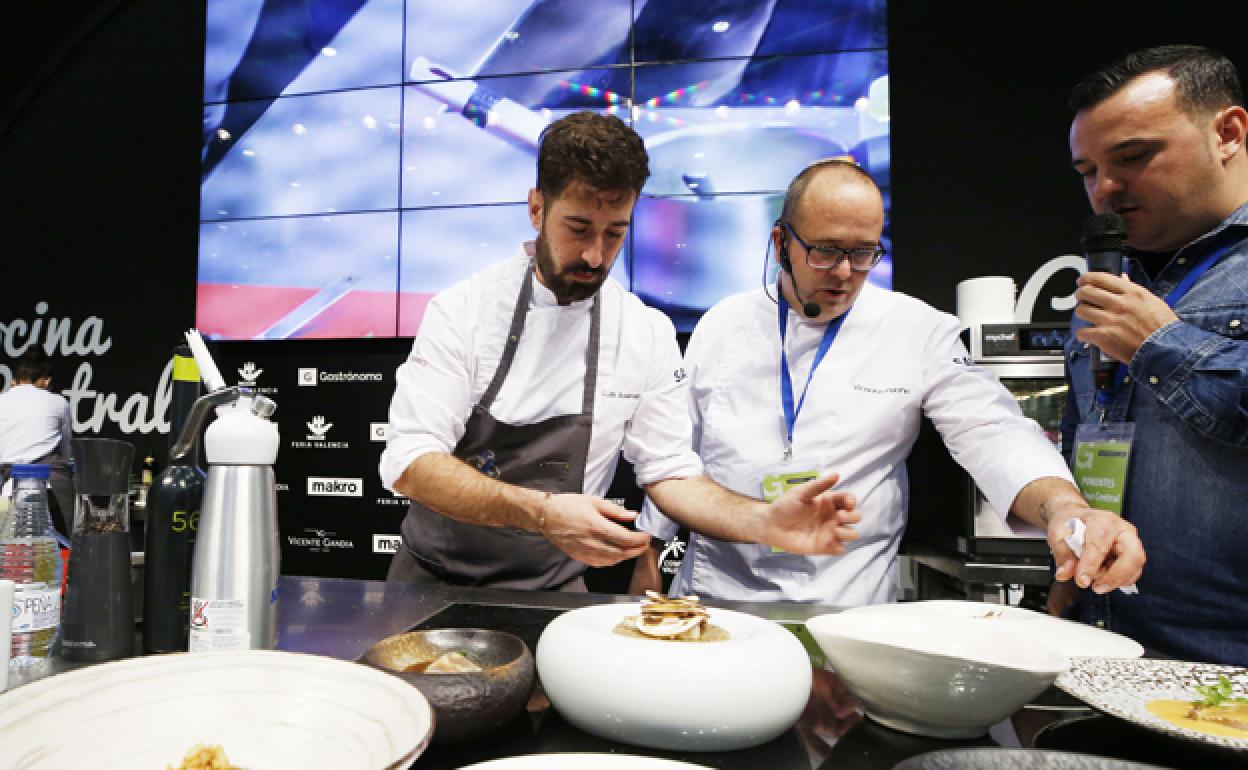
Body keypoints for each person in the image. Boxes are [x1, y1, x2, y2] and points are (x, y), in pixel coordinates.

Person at [379, 111, 859, 591]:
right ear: (536, 209)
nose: (595, 255)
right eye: (578, 228)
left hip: (554, 590)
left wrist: (763, 522)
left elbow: (671, 473)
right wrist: (543, 514)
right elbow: (411, 463)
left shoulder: (642, 331)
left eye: (615, 233)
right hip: (429, 583)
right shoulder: (464, 310)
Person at [633, 158, 1146, 605]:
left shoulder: (916, 330)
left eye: (863, 254)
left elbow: (993, 431)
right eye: (826, 251)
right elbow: (679, 455)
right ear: (780, 242)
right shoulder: (722, 323)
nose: (844, 273)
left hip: (848, 604)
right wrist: (649, 549)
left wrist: (1066, 508)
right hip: (721, 598)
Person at [1062, 44, 1248, 665]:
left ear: (1228, 133)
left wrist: (1161, 345)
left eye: (1134, 157)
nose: (1105, 189)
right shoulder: (1115, 281)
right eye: (1087, 170)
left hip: (1225, 664)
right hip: (1104, 645)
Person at [0, 349, 75, 537]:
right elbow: (66, 451)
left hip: (7, 480)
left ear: (14, 379)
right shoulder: (58, 402)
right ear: (46, 380)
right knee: (66, 542)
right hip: (52, 479)